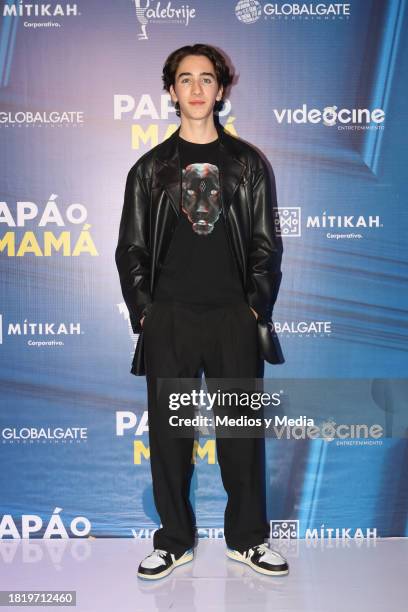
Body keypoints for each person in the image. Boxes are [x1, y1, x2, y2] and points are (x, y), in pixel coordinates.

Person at [115, 43, 288, 579]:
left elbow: (266, 248)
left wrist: (253, 311)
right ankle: (173, 540)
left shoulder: (249, 165)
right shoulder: (149, 169)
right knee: (170, 436)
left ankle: (248, 540)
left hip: (232, 319)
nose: (195, 88)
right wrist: (146, 312)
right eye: (185, 79)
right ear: (171, 91)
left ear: (220, 89)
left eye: (206, 78)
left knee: (240, 433)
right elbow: (131, 250)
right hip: (169, 318)